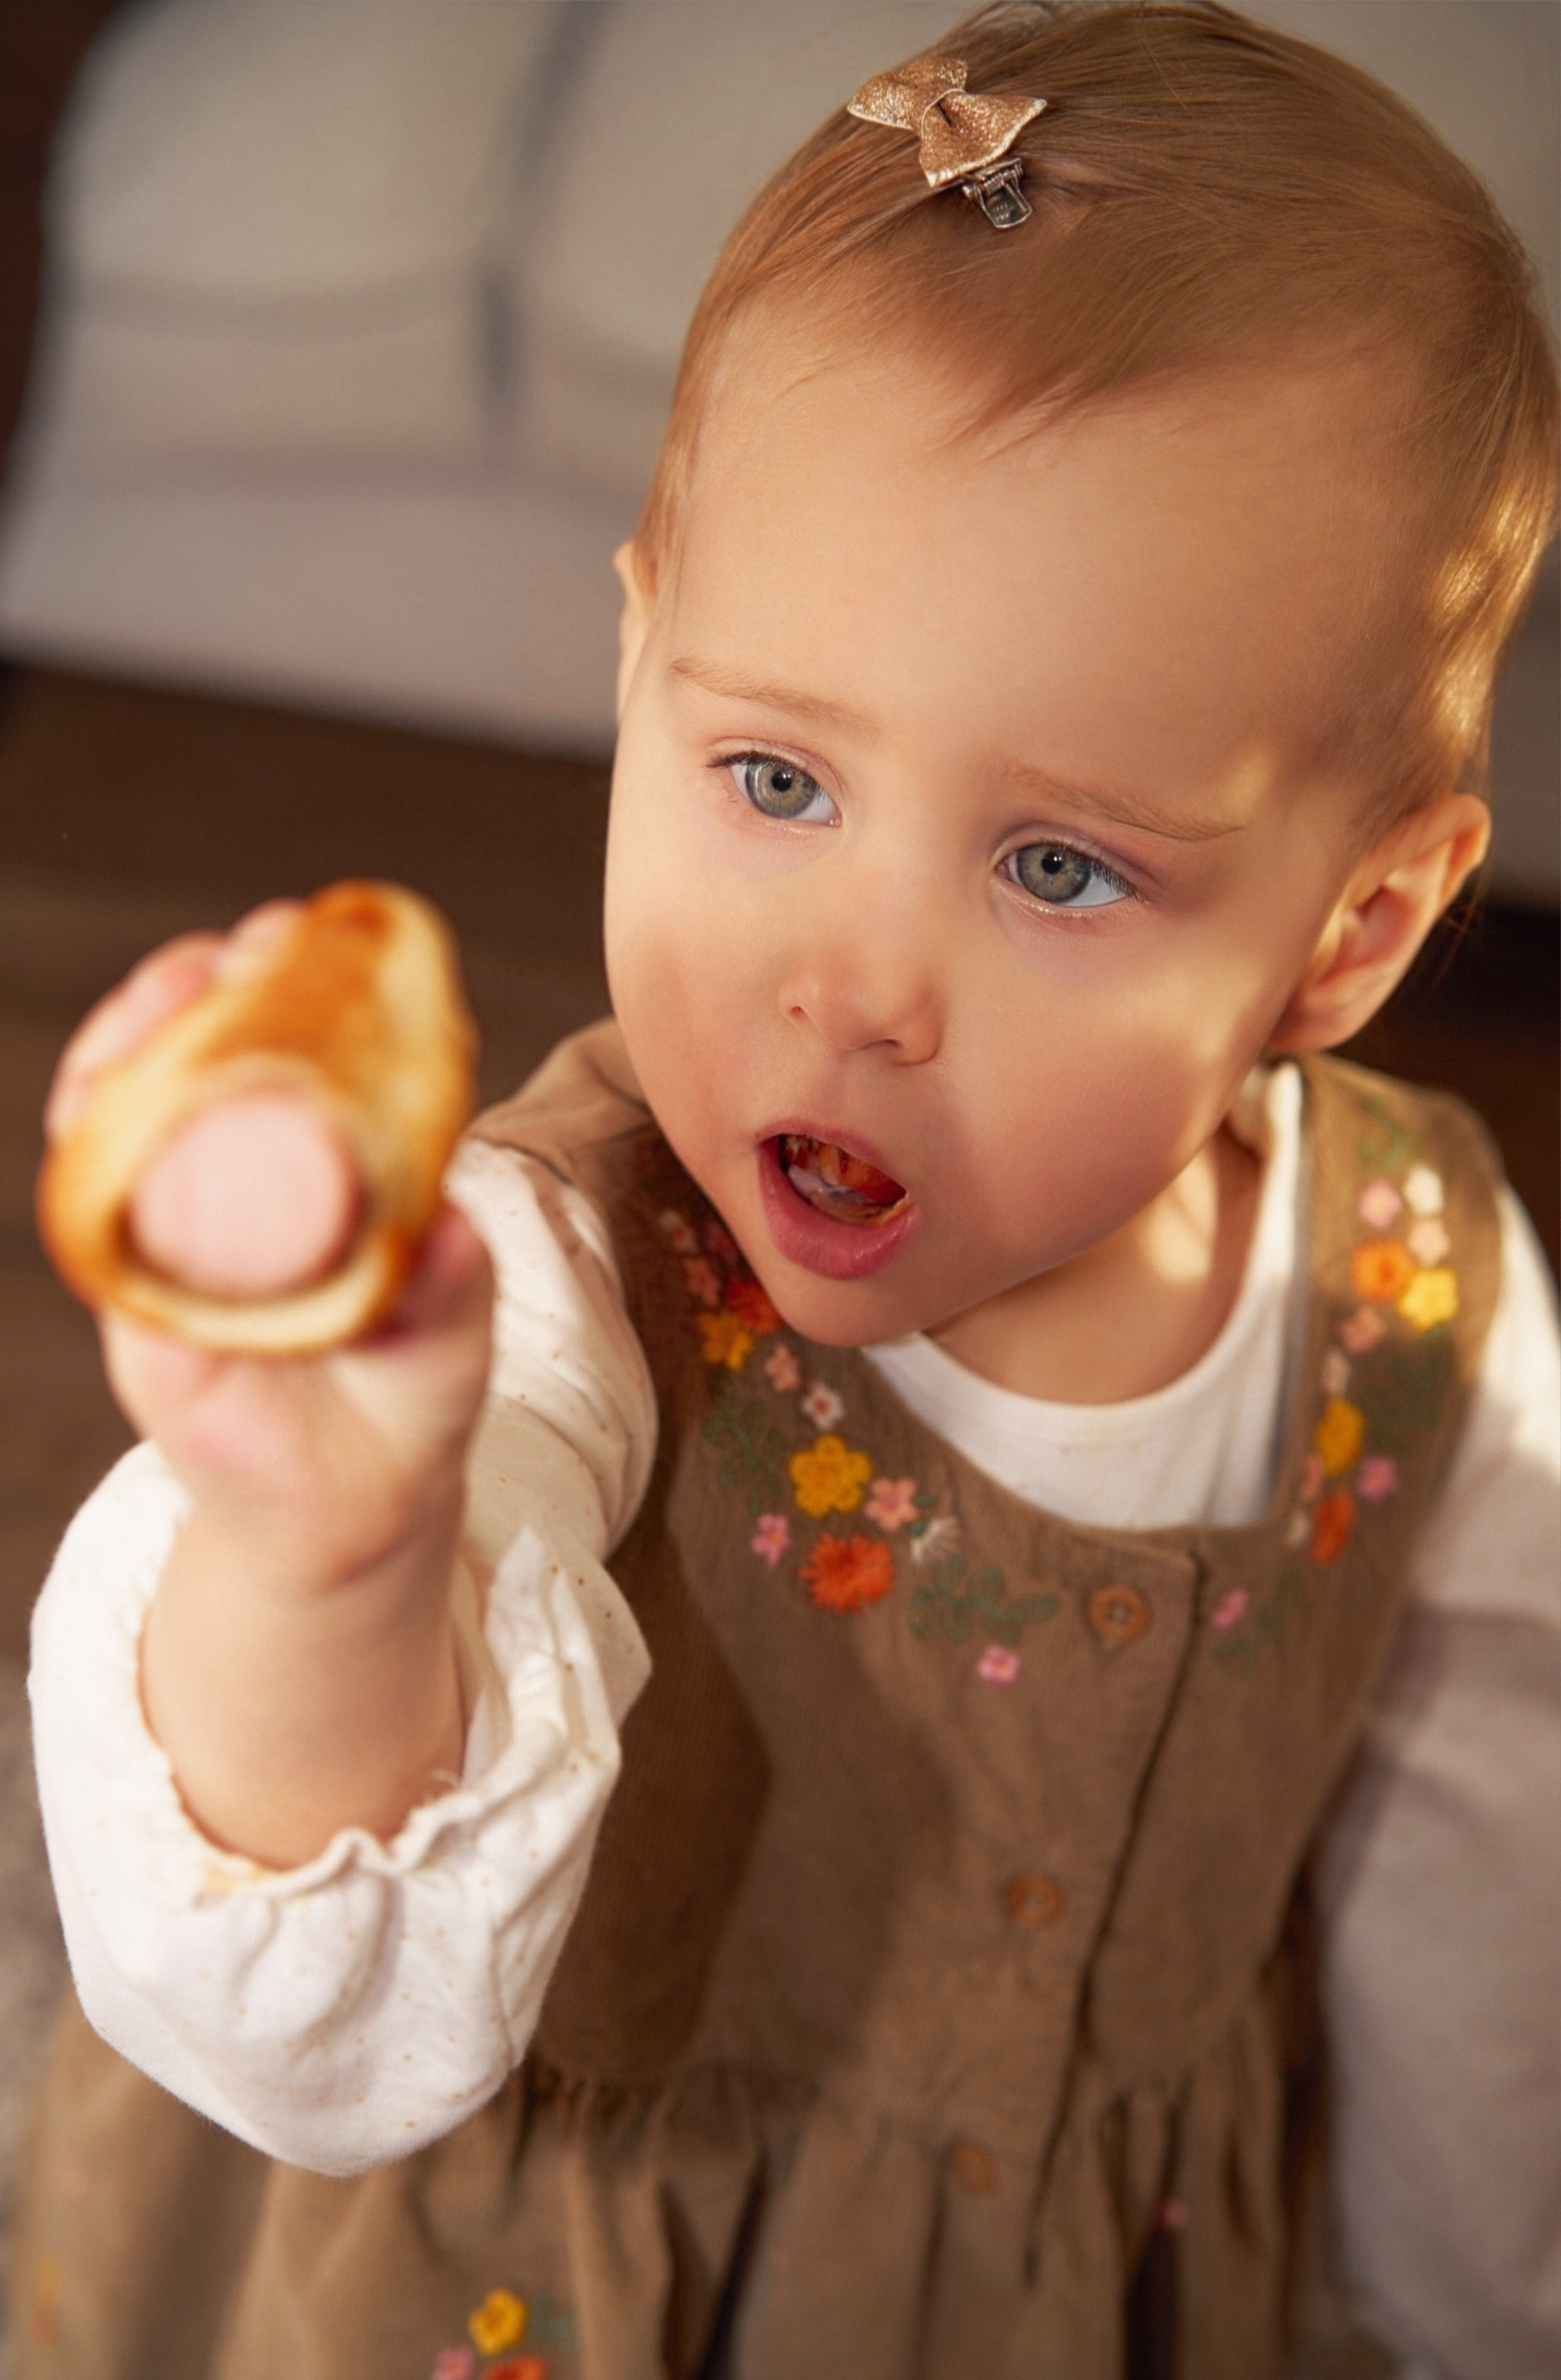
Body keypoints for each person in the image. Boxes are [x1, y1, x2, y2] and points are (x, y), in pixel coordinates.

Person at [14, 4, 1560, 2375]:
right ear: (639, 659)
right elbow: (298, 2031)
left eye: (1053, 862)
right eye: (773, 777)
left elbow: (1489, 1881)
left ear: (1353, 927)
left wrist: (1476, 2308)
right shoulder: (544, 1278)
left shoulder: (1427, 1302)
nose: (857, 990)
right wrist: (333, 1544)